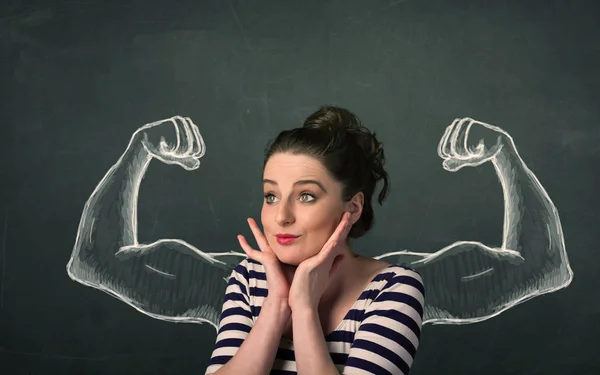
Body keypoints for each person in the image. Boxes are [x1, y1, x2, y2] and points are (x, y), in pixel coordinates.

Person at [204, 106, 425, 375]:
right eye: (271, 196)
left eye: (306, 196)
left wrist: (304, 309)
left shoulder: (392, 289)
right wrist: (277, 305)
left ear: (353, 207)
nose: (281, 217)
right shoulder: (249, 279)